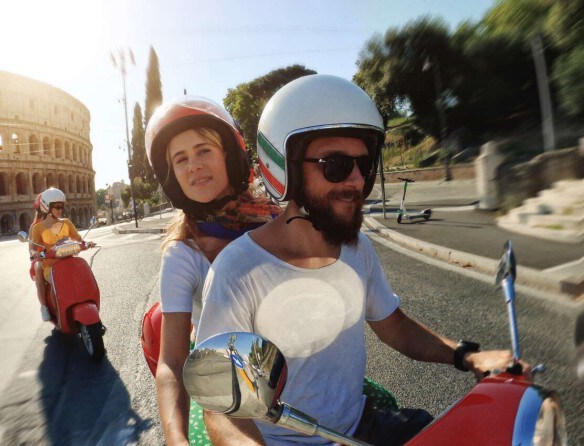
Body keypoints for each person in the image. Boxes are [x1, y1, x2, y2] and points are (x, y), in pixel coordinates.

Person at [195, 75, 530, 446]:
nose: (355, 180)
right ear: (286, 169)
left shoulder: (357, 249)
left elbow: (394, 326)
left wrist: (467, 356)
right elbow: (219, 406)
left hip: (360, 427)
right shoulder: (238, 271)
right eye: (335, 165)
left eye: (364, 164)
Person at [144, 95, 282, 445]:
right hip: (228, 389)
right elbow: (172, 361)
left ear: (230, 156)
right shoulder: (183, 253)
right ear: (171, 176)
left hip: (299, 371)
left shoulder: (278, 223)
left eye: (203, 150)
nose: (193, 165)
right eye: (180, 159)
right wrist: (176, 438)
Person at [29, 187, 93, 321]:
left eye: (62, 207)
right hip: (50, 265)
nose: (60, 210)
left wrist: (87, 243)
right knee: (56, 284)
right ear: (47, 207)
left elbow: (79, 239)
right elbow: (32, 248)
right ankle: (59, 315)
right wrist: (35, 253)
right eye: (57, 207)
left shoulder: (66, 223)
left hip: (69, 260)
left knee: (83, 277)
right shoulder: (37, 228)